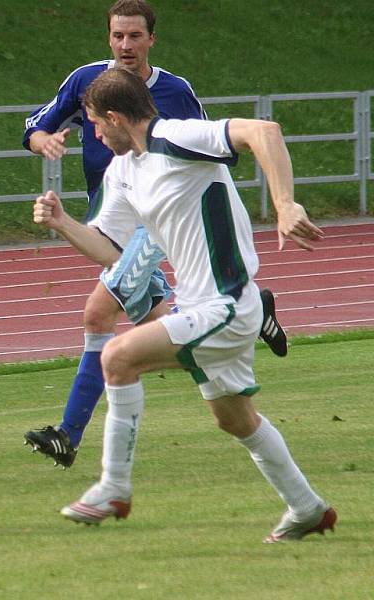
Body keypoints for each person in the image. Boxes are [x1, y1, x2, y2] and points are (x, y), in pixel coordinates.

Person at [33, 67, 336, 543]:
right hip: (204, 306)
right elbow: (111, 251)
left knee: (118, 356)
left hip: (228, 304)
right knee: (235, 419)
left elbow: (264, 131)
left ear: (114, 117)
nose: (92, 134)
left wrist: (285, 204)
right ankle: (308, 508)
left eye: (94, 124)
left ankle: (114, 487)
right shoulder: (124, 171)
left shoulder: (175, 137)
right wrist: (63, 223)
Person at [22, 0, 287, 469]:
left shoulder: (175, 94)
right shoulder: (87, 81)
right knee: (156, 324)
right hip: (114, 217)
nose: (125, 45)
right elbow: (37, 124)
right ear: (108, 37)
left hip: (158, 225)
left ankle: (71, 434)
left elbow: (216, 153)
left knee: (99, 313)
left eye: (135, 36)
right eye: (118, 35)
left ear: (151, 41)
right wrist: (41, 140)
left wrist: (277, 206)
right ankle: (246, 311)